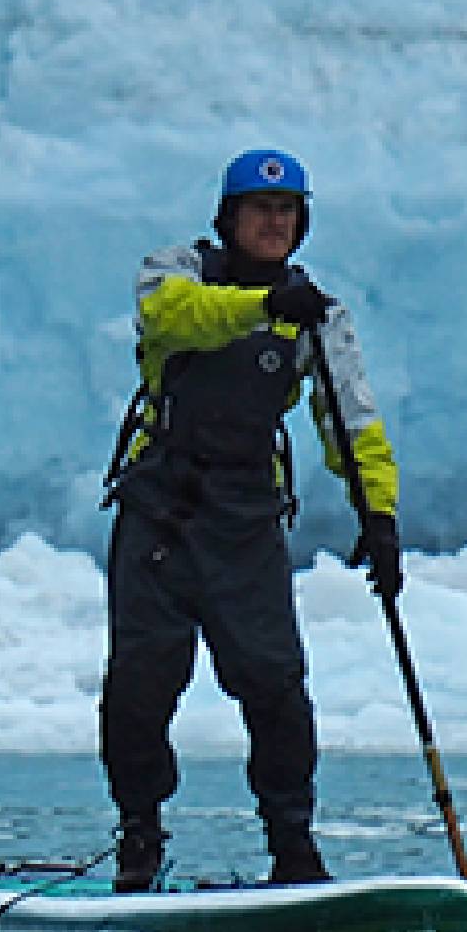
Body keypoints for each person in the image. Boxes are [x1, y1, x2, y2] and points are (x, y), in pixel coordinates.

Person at [99, 147, 404, 891]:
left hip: (247, 522)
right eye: (260, 209)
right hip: (161, 516)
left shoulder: (318, 316)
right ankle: (140, 835)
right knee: (142, 684)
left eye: (287, 211)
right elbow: (178, 320)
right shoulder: (175, 271)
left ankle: (293, 846)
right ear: (228, 218)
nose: (274, 221)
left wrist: (380, 515)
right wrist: (263, 307)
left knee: (275, 685)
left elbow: (352, 421)